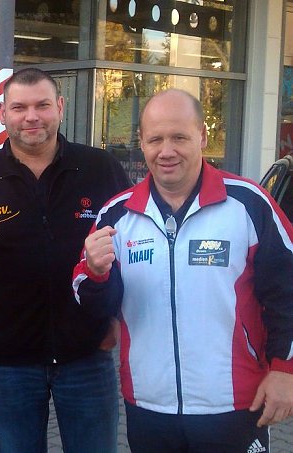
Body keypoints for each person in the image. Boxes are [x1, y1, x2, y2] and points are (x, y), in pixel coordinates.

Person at [74, 89, 293, 452]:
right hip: (148, 405)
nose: (167, 151)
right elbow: (90, 299)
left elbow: (287, 290)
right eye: (155, 139)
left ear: (202, 137)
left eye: (179, 137)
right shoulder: (116, 215)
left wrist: (284, 370)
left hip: (234, 403)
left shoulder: (248, 205)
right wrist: (96, 273)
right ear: (142, 143)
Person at [0, 67, 131, 452]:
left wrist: (116, 318)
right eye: (19, 107)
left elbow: (134, 252)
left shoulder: (100, 169)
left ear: (60, 107)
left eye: (41, 105)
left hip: (87, 355)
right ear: (3, 114)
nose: (31, 116)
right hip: (10, 361)